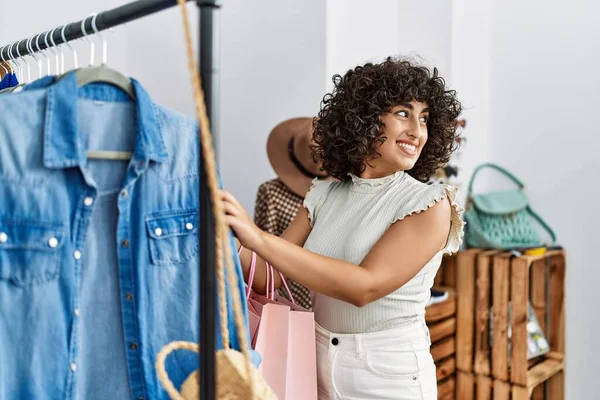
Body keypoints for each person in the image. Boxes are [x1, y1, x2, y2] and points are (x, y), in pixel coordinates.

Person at [222, 57, 464, 399]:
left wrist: (257, 237)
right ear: (365, 117)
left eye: (424, 118)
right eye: (403, 113)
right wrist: (224, 235)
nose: (417, 131)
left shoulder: (429, 204)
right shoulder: (325, 192)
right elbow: (269, 275)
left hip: (387, 373)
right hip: (314, 359)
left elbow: (363, 287)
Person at [253, 117, 329, 309]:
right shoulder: (271, 192)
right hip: (288, 298)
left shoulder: (336, 195)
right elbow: (263, 253)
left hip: (328, 295)